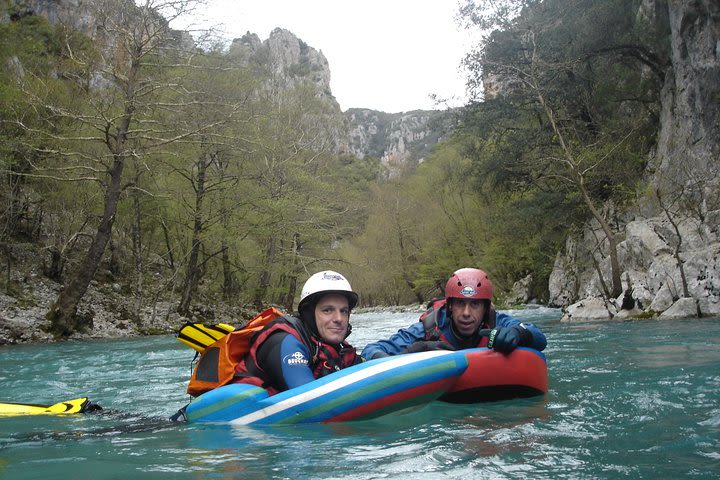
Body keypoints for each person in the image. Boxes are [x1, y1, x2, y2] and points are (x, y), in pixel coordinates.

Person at [361, 268, 547, 360]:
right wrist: (413, 353)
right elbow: (371, 350)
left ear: (485, 308)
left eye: (474, 304)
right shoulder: (430, 328)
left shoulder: (496, 321)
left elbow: (539, 338)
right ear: (450, 306)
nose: (466, 313)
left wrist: (518, 333)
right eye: (460, 304)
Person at [233, 270, 362, 394]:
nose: (339, 319)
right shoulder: (285, 341)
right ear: (309, 313)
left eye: (344, 311)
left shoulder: (335, 347)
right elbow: (309, 399)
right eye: (327, 310)